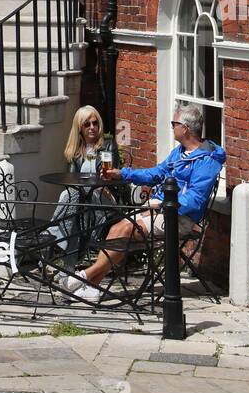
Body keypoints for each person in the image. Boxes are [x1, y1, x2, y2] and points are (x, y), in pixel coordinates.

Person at [58, 102, 226, 304]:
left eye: (174, 123)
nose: (171, 127)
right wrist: (122, 173)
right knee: (117, 229)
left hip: (179, 217)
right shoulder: (178, 153)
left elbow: (194, 200)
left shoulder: (206, 161)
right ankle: (93, 288)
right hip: (159, 209)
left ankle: (84, 276)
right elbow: (156, 173)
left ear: (186, 128)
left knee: (126, 230)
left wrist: (160, 206)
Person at [46, 107, 117, 258]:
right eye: (87, 124)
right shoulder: (76, 151)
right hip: (81, 198)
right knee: (70, 194)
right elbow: (72, 181)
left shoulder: (108, 146)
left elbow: (111, 178)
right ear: (79, 127)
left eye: (95, 123)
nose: (92, 127)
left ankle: (51, 237)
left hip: (104, 194)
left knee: (69, 194)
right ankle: (62, 252)